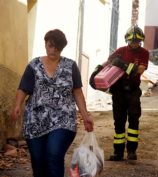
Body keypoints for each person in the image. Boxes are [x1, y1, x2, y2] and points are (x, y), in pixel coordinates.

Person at [11, 29, 93, 177]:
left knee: (53, 154)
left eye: (57, 47)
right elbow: (23, 88)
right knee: (38, 160)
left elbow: (78, 92)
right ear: (45, 44)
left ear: (62, 48)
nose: (53, 50)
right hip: (35, 121)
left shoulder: (70, 66)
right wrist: (17, 105)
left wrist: (85, 115)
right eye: (50, 45)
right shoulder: (34, 65)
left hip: (63, 119)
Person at [105, 25, 149, 161]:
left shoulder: (144, 53)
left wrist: (123, 65)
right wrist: (97, 71)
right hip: (118, 91)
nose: (134, 44)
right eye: (132, 41)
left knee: (134, 120)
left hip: (133, 90)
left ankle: (131, 151)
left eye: (137, 41)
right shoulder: (120, 51)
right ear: (127, 40)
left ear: (141, 41)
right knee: (119, 121)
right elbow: (108, 62)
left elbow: (140, 70)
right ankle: (118, 152)